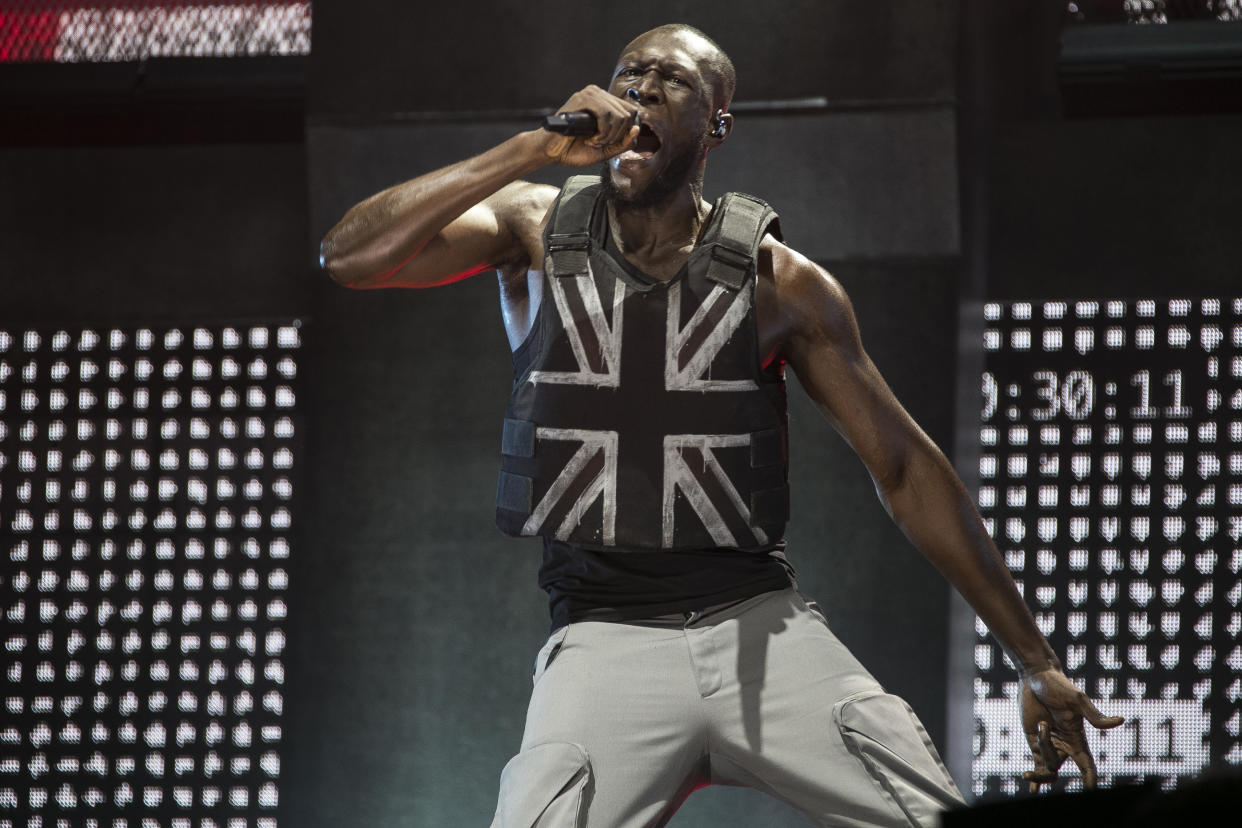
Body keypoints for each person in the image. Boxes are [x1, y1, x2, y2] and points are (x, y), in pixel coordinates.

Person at [320, 23, 1123, 827]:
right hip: (603, 643)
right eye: (627, 72)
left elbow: (906, 470)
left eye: (668, 79)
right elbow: (351, 257)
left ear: (716, 124)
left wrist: (1036, 660)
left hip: (760, 629)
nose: (639, 88)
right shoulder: (533, 228)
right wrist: (531, 147)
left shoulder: (784, 283)